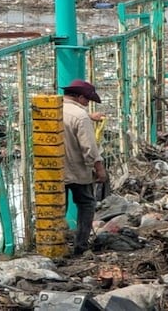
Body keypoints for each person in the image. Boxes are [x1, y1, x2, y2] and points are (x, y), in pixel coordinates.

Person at [62, 79, 107, 256]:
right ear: (80, 97)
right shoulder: (80, 116)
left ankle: (53, 243)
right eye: (87, 100)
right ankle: (80, 245)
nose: (88, 103)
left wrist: (89, 117)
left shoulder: (51, 109)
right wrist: (99, 168)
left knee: (58, 208)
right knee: (87, 203)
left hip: (52, 170)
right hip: (77, 169)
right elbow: (89, 147)